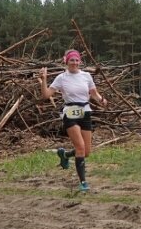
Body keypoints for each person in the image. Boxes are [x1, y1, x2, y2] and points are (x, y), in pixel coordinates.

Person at [38, 49, 106, 193]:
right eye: (71, 60)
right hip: (70, 113)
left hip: (85, 112)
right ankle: (83, 183)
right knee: (80, 147)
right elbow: (46, 95)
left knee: (86, 151)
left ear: (80, 61)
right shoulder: (61, 78)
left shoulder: (86, 76)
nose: (74, 63)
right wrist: (43, 79)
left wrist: (101, 100)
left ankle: (65, 155)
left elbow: (93, 93)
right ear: (66, 62)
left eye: (76, 60)